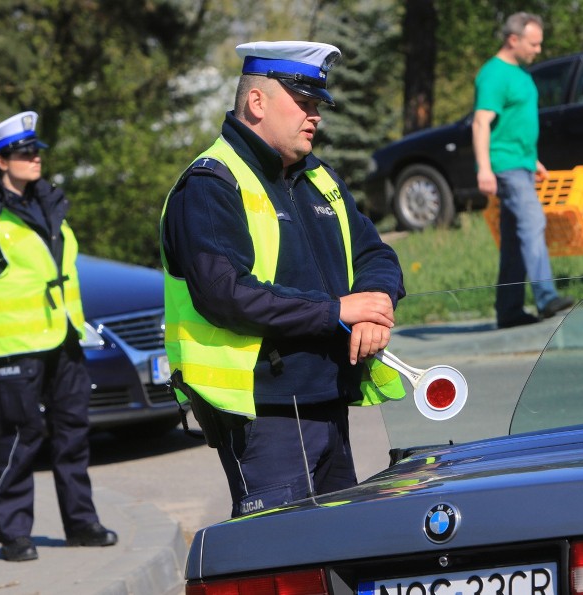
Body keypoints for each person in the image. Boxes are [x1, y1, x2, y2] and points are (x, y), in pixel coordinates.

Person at [160, 41, 405, 518]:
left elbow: (376, 252)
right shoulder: (211, 183)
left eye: (318, 106)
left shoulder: (318, 178)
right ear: (257, 102)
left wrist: (375, 300)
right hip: (263, 412)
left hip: (328, 397)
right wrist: (338, 311)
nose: (316, 117)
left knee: (338, 557)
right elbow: (225, 295)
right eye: (304, 103)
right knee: (282, 566)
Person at [0, 112, 117, 562]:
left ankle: (81, 524)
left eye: (36, 151)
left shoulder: (50, 204)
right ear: (2, 161)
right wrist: (0, 324)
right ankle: (14, 534)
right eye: (26, 153)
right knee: (23, 436)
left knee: (73, 435)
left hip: (64, 337)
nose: (35, 159)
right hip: (17, 346)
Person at [472, 13, 574, 329]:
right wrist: (484, 168)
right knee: (533, 220)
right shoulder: (494, 74)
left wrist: (533, 160)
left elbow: (516, 125)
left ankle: (509, 310)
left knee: (516, 239)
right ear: (513, 39)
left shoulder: (520, 74)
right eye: (534, 43)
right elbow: (481, 123)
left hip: (521, 163)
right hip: (505, 166)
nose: (539, 50)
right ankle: (546, 297)